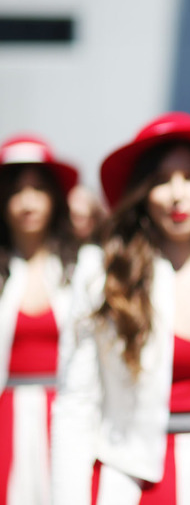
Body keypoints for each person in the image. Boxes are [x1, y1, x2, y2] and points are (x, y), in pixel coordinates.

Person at [51, 112, 190, 504]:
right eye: (161, 180)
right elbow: (76, 403)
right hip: (134, 481)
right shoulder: (104, 273)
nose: (178, 193)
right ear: (142, 191)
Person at [0, 133, 80, 505]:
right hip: (6, 421)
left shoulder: (81, 266)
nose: (28, 201)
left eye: (38, 188)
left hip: (68, 415)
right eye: (17, 191)